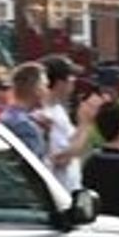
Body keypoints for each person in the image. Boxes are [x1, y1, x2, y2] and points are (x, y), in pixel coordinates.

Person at [41, 55, 98, 190]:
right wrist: (85, 124)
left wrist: (83, 122)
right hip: (59, 191)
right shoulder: (46, 114)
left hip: (71, 189)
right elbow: (61, 158)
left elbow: (69, 142)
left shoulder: (58, 108)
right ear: (59, 82)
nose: (74, 80)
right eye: (70, 76)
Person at [1, 62, 50, 160]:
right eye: (45, 86)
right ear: (36, 89)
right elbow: (30, 166)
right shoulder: (24, 126)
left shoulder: (7, 116)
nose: (47, 91)